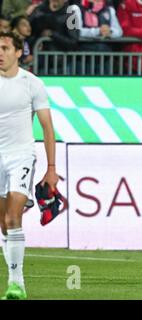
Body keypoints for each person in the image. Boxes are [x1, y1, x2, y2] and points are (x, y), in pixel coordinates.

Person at [0, 31, 58, 299]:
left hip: (21, 156)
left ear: (18, 52)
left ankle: (16, 283)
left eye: (5, 48)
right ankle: (15, 281)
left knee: (14, 216)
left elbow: (47, 127)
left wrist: (51, 168)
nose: (0, 53)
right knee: (3, 223)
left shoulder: (32, 83)